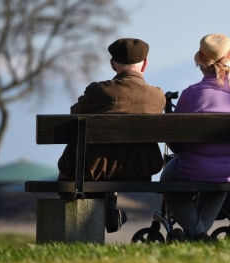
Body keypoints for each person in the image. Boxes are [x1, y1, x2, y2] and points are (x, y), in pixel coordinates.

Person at [160, 33, 230, 241]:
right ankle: (199, 237)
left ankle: (197, 234)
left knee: (167, 184)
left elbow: (175, 143)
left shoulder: (191, 94)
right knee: (218, 183)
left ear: (201, 62)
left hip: (196, 167)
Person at [57, 38, 165, 233]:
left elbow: (73, 116)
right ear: (145, 64)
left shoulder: (99, 91)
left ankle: (87, 226)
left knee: (85, 164)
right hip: (139, 169)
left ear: (113, 64)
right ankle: (110, 211)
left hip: (94, 169)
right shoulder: (157, 96)